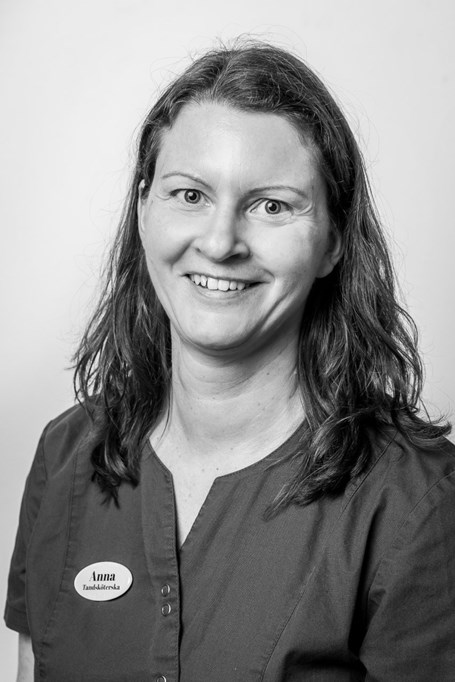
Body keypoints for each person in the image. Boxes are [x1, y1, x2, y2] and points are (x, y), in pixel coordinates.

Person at [5, 40, 455, 682]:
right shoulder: (64, 456)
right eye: (189, 195)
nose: (220, 243)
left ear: (333, 241)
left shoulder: (418, 503)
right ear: (143, 209)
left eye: (271, 205)